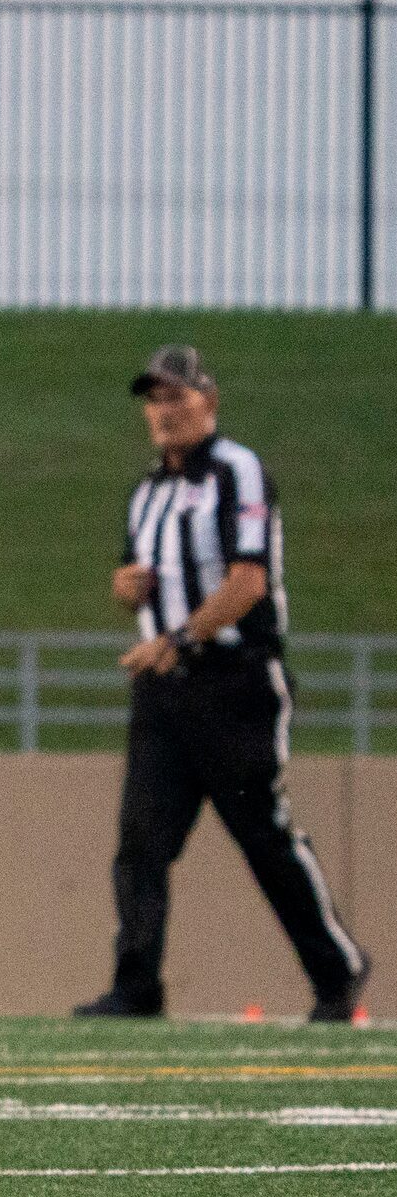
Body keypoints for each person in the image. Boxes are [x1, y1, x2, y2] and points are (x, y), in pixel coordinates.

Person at [74, 344, 370, 1023]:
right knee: (140, 842)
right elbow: (136, 579)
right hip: (163, 690)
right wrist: (124, 590)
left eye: (176, 396)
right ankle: (136, 986)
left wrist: (179, 638)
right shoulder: (146, 491)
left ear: (208, 400)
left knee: (262, 835)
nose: (163, 411)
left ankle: (336, 971)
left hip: (232, 683)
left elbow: (247, 580)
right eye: (154, 399)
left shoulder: (237, 472)